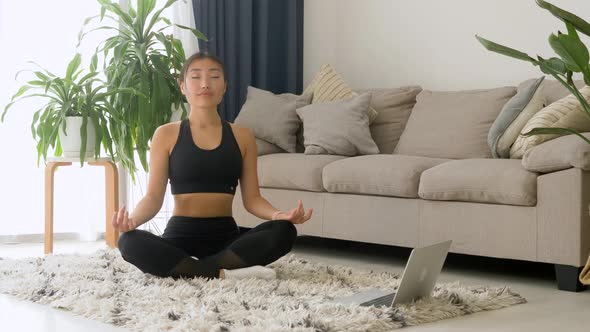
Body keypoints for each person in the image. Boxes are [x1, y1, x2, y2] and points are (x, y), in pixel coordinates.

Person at [114, 52, 313, 280]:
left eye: (214, 77)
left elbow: (253, 199)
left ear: (224, 87)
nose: (205, 84)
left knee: (284, 231)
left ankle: (192, 269)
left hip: (226, 238)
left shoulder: (243, 136)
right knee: (128, 241)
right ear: (182, 87)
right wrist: (133, 222)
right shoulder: (165, 134)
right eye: (196, 77)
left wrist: (280, 215)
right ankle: (223, 273)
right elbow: (152, 198)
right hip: (179, 237)